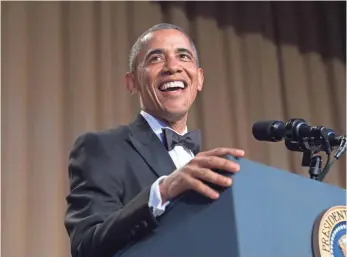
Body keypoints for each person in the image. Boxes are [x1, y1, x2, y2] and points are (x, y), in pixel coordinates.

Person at [64, 23, 245, 257]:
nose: (173, 67)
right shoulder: (101, 148)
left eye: (183, 56)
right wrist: (162, 191)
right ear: (132, 82)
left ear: (199, 79)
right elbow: (85, 246)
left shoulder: (208, 169)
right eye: (156, 58)